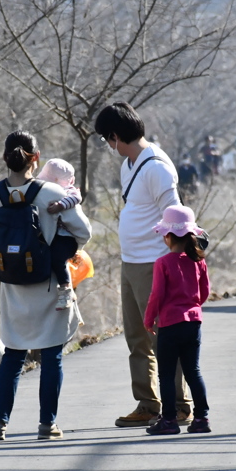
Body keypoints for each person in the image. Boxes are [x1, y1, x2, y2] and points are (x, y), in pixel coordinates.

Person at [0, 131, 92, 442]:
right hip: (47, 284)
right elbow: (83, 231)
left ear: (5, 157)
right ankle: (47, 424)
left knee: (13, 355)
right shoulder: (48, 193)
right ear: (36, 158)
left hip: (13, 286)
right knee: (51, 355)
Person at [94, 101, 192, 428]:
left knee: (162, 337)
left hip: (155, 263)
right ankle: (149, 403)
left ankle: (178, 405)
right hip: (130, 262)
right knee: (136, 337)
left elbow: (175, 217)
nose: (109, 146)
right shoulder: (129, 165)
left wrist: (174, 265)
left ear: (116, 135)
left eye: (108, 140)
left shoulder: (157, 167)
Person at [143, 205, 211, 435]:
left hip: (170, 324)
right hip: (193, 323)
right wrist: (192, 307)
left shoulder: (163, 263)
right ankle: (202, 418)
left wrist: (149, 318)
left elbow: (157, 295)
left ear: (169, 236)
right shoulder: (199, 261)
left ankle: (169, 420)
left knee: (167, 374)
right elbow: (204, 292)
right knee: (193, 370)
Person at [36, 158, 84, 311]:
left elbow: (77, 197)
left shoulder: (68, 190)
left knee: (57, 259)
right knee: (51, 258)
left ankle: (66, 290)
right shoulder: (41, 190)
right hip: (56, 236)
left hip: (67, 237)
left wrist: (60, 205)